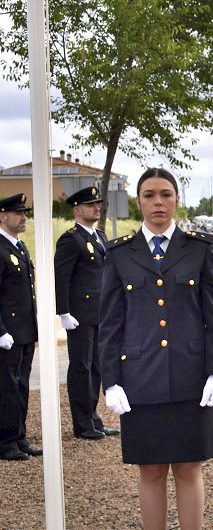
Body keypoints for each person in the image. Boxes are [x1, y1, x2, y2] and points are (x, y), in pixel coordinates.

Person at [100, 168, 213, 530]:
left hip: (192, 379)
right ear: (138, 201)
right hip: (141, 380)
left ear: (176, 200)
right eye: (150, 195)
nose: (158, 202)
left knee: (189, 469)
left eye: (166, 194)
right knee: (151, 472)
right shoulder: (119, 254)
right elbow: (110, 323)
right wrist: (110, 380)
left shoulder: (197, 249)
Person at [55, 185, 119, 440]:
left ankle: (93, 418)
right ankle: (82, 424)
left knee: (97, 368)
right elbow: (62, 277)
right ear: (77, 210)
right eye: (91, 205)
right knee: (81, 366)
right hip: (80, 315)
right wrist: (64, 312)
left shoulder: (99, 236)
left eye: (98, 204)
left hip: (101, 313)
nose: (97, 208)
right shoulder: (71, 239)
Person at [0, 193, 41, 461]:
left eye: (25, 212)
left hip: (24, 330)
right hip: (8, 332)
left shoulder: (19, 246)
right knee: (7, 387)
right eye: (18, 213)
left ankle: (19, 435)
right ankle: (5, 442)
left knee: (22, 385)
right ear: (3, 216)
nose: (24, 217)